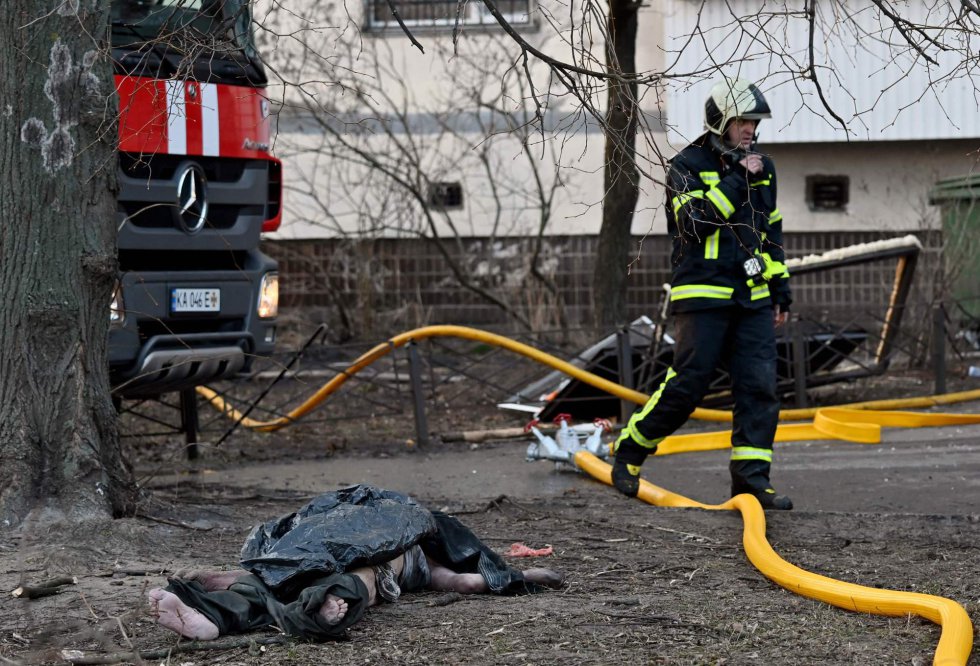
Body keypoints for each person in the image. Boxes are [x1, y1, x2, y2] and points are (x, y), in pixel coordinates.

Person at [611, 77, 793, 510]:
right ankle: (630, 450)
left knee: (759, 388)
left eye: (754, 122)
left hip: (752, 295)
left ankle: (752, 482)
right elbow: (694, 225)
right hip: (703, 294)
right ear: (720, 121)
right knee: (689, 385)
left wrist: (780, 289)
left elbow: (770, 232)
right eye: (742, 121)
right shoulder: (686, 165)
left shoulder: (763, 169)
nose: (750, 129)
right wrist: (736, 179)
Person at [148, 485, 564, 641]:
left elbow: (465, 581)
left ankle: (219, 613)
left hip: (345, 570)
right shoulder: (403, 534)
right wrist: (517, 575)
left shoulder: (420, 557)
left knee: (304, 582)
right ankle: (215, 616)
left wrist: (520, 574)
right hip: (325, 560)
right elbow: (465, 581)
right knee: (284, 579)